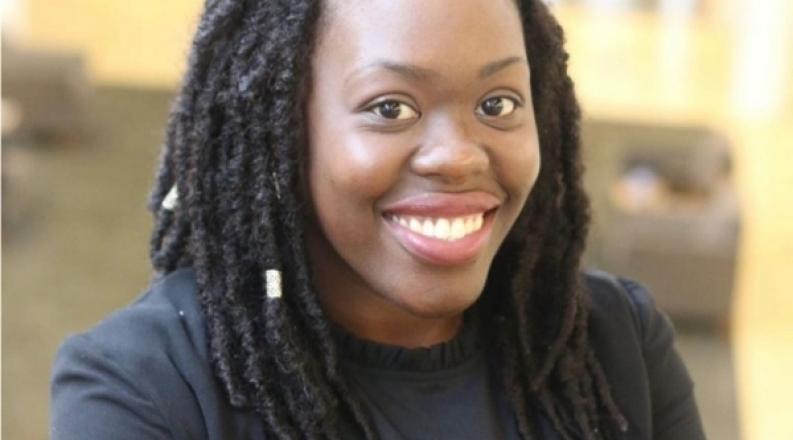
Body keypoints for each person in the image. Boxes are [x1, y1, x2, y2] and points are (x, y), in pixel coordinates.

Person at [50, 0, 706, 439]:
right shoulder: (143, 387)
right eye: (390, 108)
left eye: (499, 102)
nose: (456, 156)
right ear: (281, 130)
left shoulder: (615, 345)